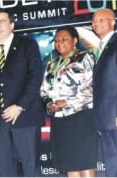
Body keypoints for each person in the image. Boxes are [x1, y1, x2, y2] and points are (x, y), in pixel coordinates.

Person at [0, 9, 44, 176]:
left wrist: (19, 106)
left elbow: (35, 78)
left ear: (12, 25)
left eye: (1, 21)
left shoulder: (27, 45)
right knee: (6, 169)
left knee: (30, 167)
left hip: (25, 116)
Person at [40, 26, 98, 177]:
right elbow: (43, 91)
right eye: (57, 40)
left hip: (81, 117)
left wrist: (68, 102)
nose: (60, 43)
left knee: (84, 161)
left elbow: (92, 88)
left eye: (64, 39)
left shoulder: (86, 58)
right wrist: (49, 104)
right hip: (59, 120)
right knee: (69, 162)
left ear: (75, 41)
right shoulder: (51, 64)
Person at [91, 8, 117, 177]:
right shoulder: (100, 48)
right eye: (93, 21)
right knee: (112, 165)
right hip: (105, 118)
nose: (96, 23)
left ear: (113, 22)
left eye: (101, 20)